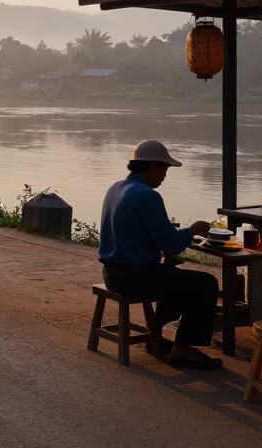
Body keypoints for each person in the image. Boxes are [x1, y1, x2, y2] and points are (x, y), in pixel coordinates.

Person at [99, 140, 220, 370]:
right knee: (205, 284)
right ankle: (183, 351)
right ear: (153, 167)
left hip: (112, 273)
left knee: (175, 277)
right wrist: (193, 229)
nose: (165, 175)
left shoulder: (115, 188)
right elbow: (170, 244)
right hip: (136, 278)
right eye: (164, 169)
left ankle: (154, 336)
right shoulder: (147, 196)